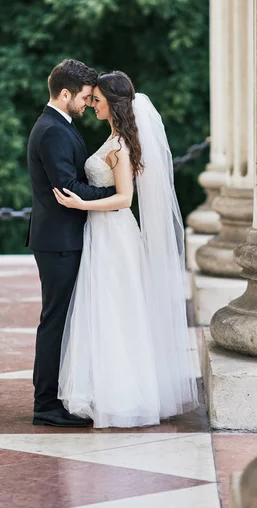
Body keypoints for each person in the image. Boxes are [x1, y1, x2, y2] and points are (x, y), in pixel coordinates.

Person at [53, 70, 198, 428]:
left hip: (114, 234)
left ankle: (124, 395)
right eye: (91, 98)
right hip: (101, 233)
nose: (92, 103)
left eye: (97, 99)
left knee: (116, 309)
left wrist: (80, 205)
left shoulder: (120, 147)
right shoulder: (113, 139)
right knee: (103, 308)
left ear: (113, 104)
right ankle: (104, 389)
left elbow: (124, 199)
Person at [26, 59, 116, 427]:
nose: (86, 104)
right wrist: (116, 194)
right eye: (82, 97)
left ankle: (55, 395)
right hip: (59, 240)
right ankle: (45, 404)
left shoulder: (58, 125)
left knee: (61, 318)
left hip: (61, 236)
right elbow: (67, 187)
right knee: (55, 321)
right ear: (64, 94)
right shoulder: (53, 131)